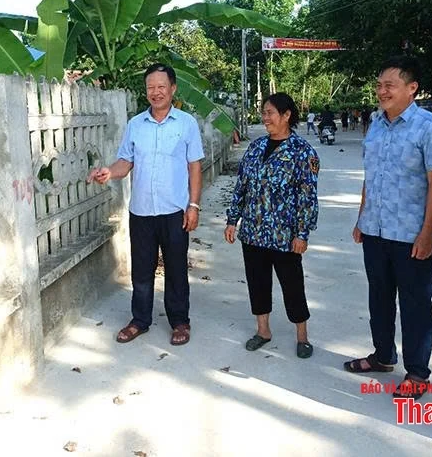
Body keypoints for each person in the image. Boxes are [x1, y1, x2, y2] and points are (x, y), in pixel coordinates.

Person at [344, 56, 432, 400]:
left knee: (415, 303)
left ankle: (418, 372)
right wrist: (362, 218)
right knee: (378, 297)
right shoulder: (375, 123)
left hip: (410, 235)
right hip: (375, 230)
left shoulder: (429, 126)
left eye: (389, 85)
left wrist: (427, 233)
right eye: (378, 85)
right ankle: (383, 356)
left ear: (412, 88)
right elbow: (370, 175)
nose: (381, 91)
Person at [87, 63, 204, 346]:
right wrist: (109, 172)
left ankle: (180, 321)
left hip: (174, 210)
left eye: (161, 87)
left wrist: (194, 205)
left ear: (173, 88)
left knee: (176, 269)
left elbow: (195, 166)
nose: (156, 92)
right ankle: (140, 320)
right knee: (142, 269)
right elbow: (126, 161)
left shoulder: (186, 123)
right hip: (141, 211)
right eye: (151, 87)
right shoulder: (135, 125)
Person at [224, 92, 319, 359]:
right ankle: (263, 331)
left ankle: (302, 336)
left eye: (270, 113)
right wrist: (233, 219)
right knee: (257, 282)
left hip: (284, 235)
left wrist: (302, 233)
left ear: (286, 115)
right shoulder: (255, 148)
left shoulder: (302, 152)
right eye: (264, 112)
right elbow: (241, 186)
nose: (265, 118)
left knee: (292, 285)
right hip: (253, 232)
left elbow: (307, 196)